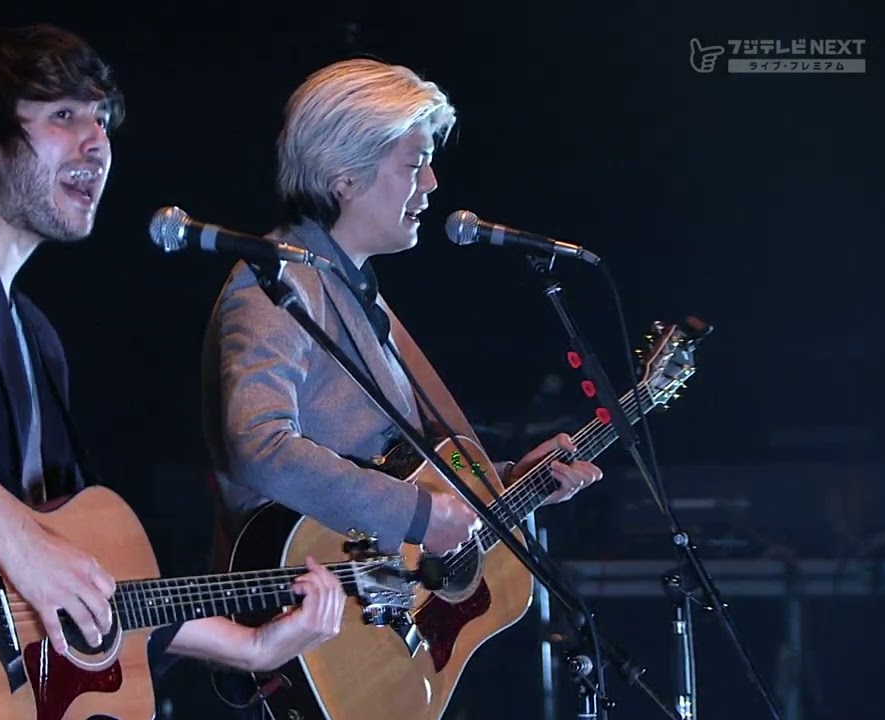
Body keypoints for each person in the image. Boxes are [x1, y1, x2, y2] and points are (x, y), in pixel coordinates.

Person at [0, 23, 345, 712]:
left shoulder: (37, 339)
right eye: (63, 115)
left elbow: (80, 582)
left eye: (101, 120)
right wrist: (23, 545)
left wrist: (249, 646)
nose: (97, 141)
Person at [202, 57, 605, 572]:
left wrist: (500, 483)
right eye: (415, 164)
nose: (432, 183)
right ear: (344, 177)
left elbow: (405, 464)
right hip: (302, 609)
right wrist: (418, 513)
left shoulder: (350, 287)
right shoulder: (275, 286)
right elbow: (260, 448)